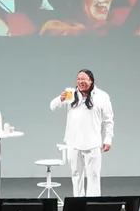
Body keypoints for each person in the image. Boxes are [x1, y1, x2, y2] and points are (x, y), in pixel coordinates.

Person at [48, 69, 114, 197]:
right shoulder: (71, 94)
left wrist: (108, 139)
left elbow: (108, 120)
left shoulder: (102, 96)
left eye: (83, 79)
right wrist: (60, 99)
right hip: (73, 142)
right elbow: (52, 106)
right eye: (78, 79)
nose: (80, 82)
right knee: (76, 175)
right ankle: (78, 202)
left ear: (91, 80)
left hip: (93, 143)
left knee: (93, 175)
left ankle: (92, 203)